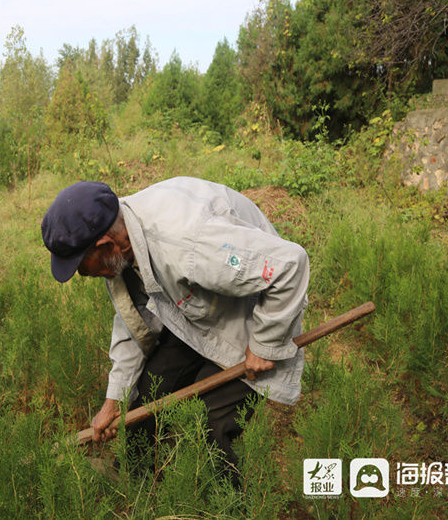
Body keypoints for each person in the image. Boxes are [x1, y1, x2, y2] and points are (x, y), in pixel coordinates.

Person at [41, 176, 309, 476]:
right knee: (151, 388)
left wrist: (264, 343)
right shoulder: (121, 243)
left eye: (80, 266)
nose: (81, 274)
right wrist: (114, 400)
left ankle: (226, 506)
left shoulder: (187, 243)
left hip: (252, 314)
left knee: (209, 425)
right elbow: (133, 319)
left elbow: (289, 265)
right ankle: (131, 475)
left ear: (105, 244)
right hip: (195, 308)